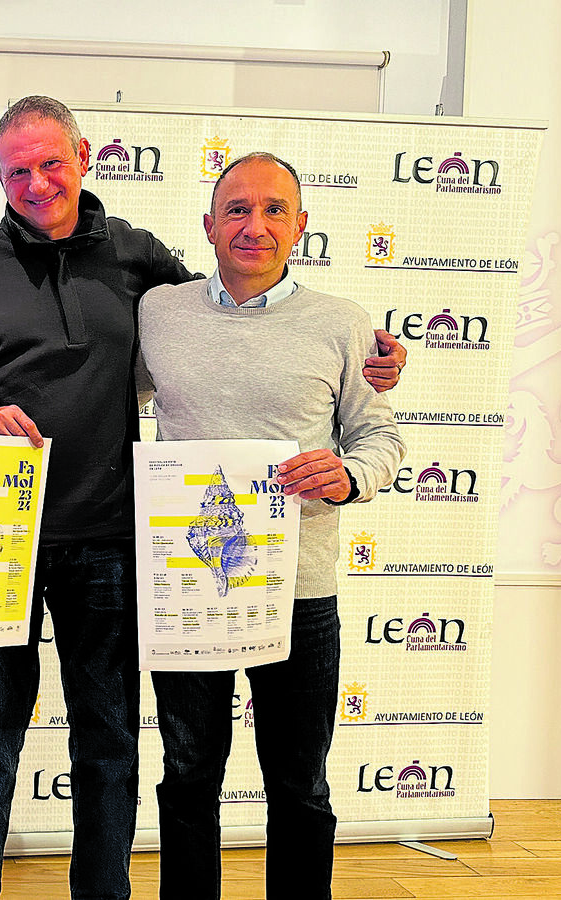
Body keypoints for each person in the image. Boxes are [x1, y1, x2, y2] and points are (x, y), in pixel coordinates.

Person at [0, 96, 408, 900]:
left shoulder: (146, 265)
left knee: (122, 743)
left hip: (128, 546)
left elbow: (247, 322)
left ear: (84, 155)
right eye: (17, 170)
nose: (36, 182)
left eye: (52, 162)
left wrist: (375, 363)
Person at [136, 151, 405, 900]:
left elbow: (380, 438)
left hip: (302, 591)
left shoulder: (343, 325)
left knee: (300, 783)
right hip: (190, 588)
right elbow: (97, 391)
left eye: (274, 209)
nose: (254, 226)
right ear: (209, 225)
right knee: (188, 775)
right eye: (237, 209)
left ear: (302, 226)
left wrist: (348, 475)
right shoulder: (159, 312)